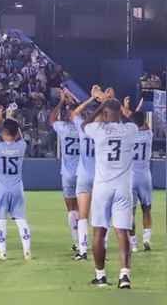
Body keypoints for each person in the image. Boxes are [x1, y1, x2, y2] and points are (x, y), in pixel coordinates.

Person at [82, 99, 138, 289]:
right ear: (120, 113)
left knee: (99, 231)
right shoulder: (130, 130)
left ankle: (101, 276)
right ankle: (124, 275)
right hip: (123, 187)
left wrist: (99, 105)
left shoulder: (98, 130)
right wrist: (119, 111)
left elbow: (84, 124)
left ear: (105, 114)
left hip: (102, 188)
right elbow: (133, 122)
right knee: (122, 231)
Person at [0, 105, 32, 260]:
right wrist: (12, 119)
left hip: (1, 190)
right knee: (20, 219)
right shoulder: (21, 146)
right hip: (17, 189)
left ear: (4, 133)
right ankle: (26, 251)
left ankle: (3, 253)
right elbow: (20, 137)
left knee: (1, 220)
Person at [69, 86, 99, 261]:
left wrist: (90, 98)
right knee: (101, 215)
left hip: (84, 175)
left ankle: (83, 251)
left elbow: (74, 113)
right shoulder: (104, 131)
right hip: (101, 176)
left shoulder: (83, 128)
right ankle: (100, 249)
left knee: (83, 215)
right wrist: (104, 99)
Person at [51, 90, 81, 251]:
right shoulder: (85, 128)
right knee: (83, 210)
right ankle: (83, 241)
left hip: (68, 174)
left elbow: (52, 118)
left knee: (71, 209)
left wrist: (61, 102)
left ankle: (77, 242)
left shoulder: (63, 127)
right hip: (83, 173)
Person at [126, 99, 153, 253]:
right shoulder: (148, 135)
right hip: (145, 177)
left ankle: (133, 243)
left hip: (130, 177)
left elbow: (130, 123)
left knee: (130, 212)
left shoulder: (128, 137)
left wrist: (132, 110)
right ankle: (147, 237)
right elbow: (142, 124)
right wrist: (137, 111)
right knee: (147, 208)